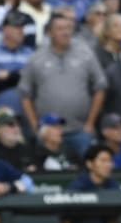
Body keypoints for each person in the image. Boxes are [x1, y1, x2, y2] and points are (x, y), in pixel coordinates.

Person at [19, 14, 107, 159]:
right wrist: (35, 124)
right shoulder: (36, 58)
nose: (65, 32)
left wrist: (90, 123)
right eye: (60, 29)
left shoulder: (85, 54)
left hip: (80, 130)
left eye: (68, 28)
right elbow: (25, 93)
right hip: (48, 131)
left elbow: (100, 86)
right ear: (50, 32)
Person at [61, 144, 120, 223]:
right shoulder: (77, 186)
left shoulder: (113, 187)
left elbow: (113, 220)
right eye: (103, 161)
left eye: (110, 161)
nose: (108, 165)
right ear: (90, 164)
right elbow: (66, 221)